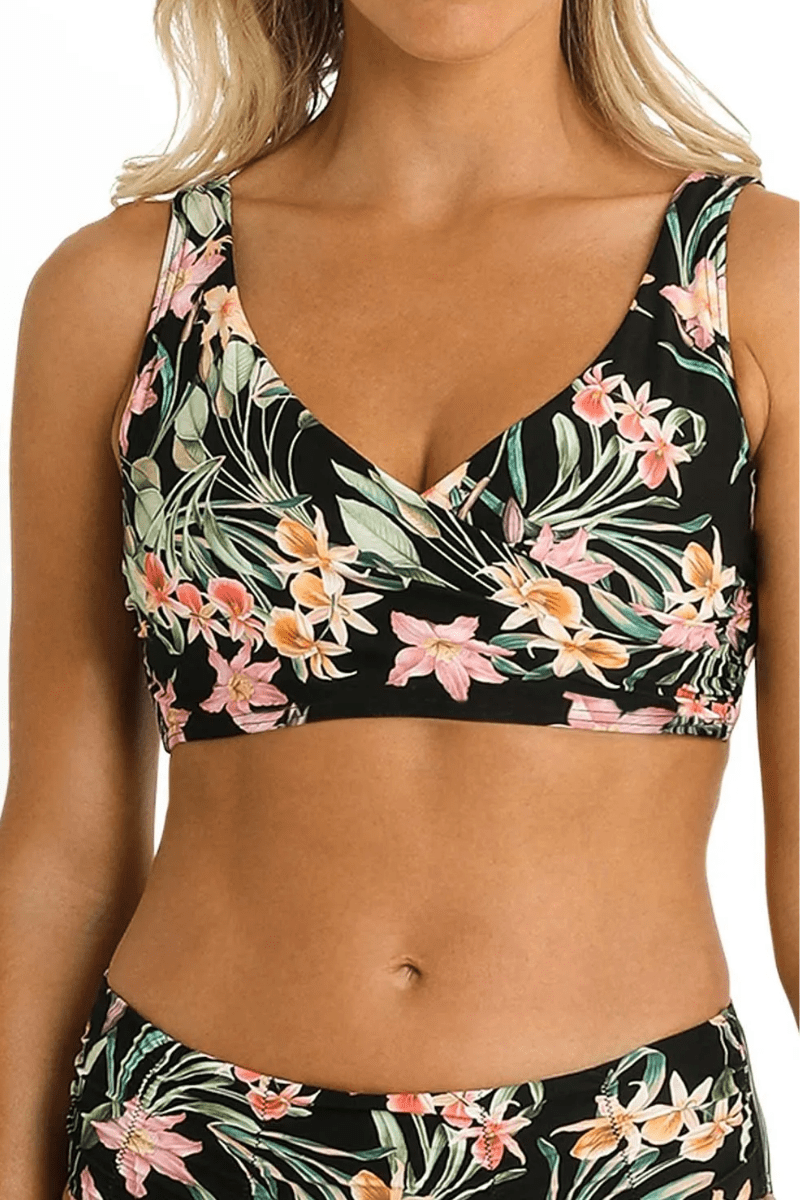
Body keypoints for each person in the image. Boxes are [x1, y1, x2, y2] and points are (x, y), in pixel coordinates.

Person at [1, 1, 796, 1197]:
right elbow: (61, 844)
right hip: (188, 1143)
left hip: (630, 1149)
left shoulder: (754, 285)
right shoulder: (126, 290)